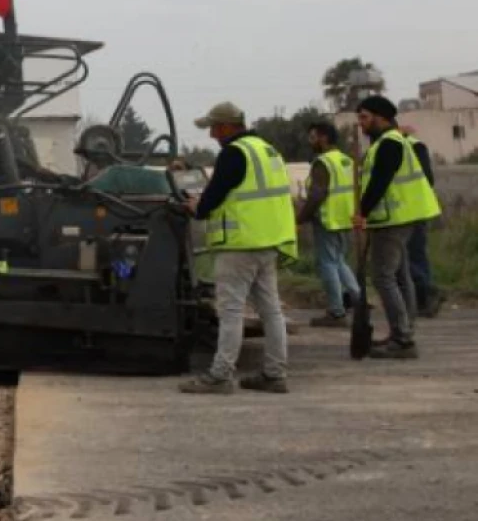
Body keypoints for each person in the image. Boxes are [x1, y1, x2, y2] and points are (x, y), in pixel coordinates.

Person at [180, 102, 297, 395]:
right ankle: (275, 374)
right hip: (268, 242)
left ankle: (220, 376)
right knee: (271, 311)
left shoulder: (234, 153)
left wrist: (197, 207)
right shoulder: (268, 151)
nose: (211, 134)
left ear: (228, 127)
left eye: (214, 128)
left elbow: (215, 195)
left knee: (230, 311)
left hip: (239, 245)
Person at [353, 97, 442, 358]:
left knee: (383, 276)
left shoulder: (390, 144)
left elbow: (379, 182)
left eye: (365, 118)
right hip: (402, 216)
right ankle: (404, 332)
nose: (361, 124)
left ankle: (402, 339)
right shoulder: (388, 142)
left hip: (394, 219)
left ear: (381, 117)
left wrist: (362, 212)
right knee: (401, 277)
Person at [299, 122, 361, 327]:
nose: (311, 142)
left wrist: (301, 217)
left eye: (313, 137)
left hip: (327, 219)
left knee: (328, 264)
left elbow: (317, 193)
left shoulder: (323, 162)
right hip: (346, 218)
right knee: (339, 261)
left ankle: (336, 312)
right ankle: (358, 300)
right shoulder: (346, 160)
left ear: (323, 138)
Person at [398, 124, 442, 316]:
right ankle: (423, 297)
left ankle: (427, 293)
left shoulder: (407, 147)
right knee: (414, 255)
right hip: (411, 210)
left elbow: (427, 179)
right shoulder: (415, 145)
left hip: (410, 210)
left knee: (410, 256)